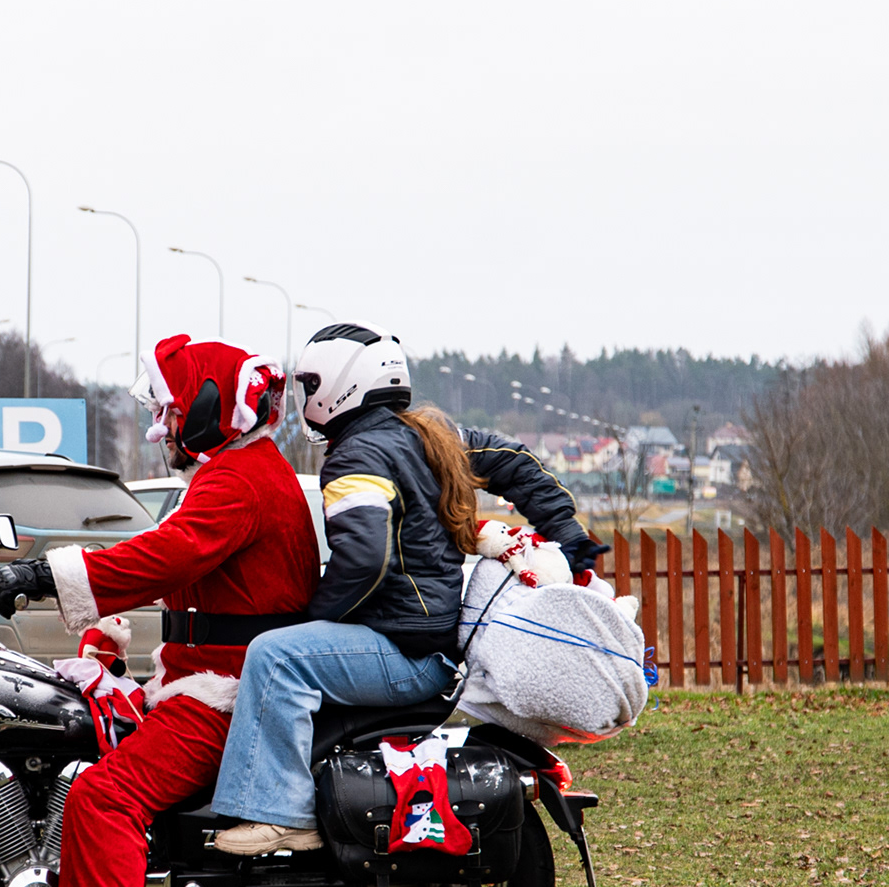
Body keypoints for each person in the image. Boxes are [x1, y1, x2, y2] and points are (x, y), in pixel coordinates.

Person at [0, 334, 320, 887]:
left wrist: (45, 575)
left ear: (211, 409)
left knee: (104, 796)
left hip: (224, 692)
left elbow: (165, 556)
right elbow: (168, 561)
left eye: (172, 409)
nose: (162, 426)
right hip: (204, 680)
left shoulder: (240, 481)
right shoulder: (238, 471)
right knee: (73, 761)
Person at [207, 322, 610, 856]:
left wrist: (311, 616)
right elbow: (515, 461)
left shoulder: (357, 457)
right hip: (427, 641)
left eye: (310, 384)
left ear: (341, 383)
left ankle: (280, 815)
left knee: (275, 656)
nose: (306, 397)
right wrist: (568, 533)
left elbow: (363, 560)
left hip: (403, 648)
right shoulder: (429, 437)